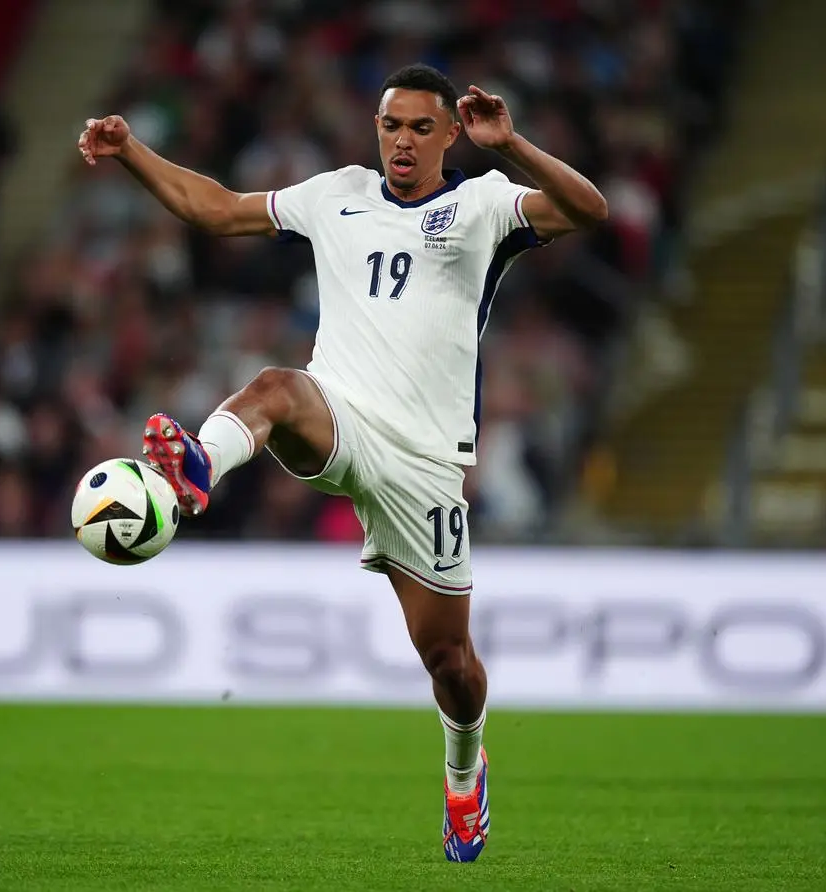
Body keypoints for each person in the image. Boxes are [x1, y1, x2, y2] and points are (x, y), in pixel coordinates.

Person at [77, 63, 607, 862]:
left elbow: (585, 210)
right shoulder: (337, 194)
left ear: (451, 134)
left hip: (424, 461)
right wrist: (132, 152)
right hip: (338, 416)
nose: (402, 140)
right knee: (277, 387)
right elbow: (216, 211)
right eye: (391, 125)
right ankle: (193, 471)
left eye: (422, 128)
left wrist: (513, 146)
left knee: (450, 662)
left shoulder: (482, 205)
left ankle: (465, 772)